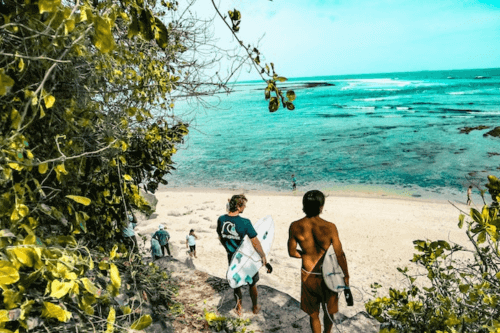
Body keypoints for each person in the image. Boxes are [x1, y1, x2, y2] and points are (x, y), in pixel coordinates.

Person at [288, 190, 349, 333]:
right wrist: (346, 275)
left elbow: (292, 252)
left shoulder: (295, 226)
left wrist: (306, 255)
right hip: (329, 274)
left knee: (314, 314)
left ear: (304, 205)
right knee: (330, 311)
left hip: (308, 274)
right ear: (321, 207)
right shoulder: (330, 227)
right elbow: (339, 254)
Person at [217, 194, 267, 316]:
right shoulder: (245, 222)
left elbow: (221, 237)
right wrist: (263, 256)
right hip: (246, 259)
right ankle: (255, 307)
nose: (245, 207)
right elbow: (255, 242)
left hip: (232, 257)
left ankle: (239, 308)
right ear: (239, 206)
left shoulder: (221, 220)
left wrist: (228, 248)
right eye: (244, 205)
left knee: (236, 283)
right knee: (252, 283)